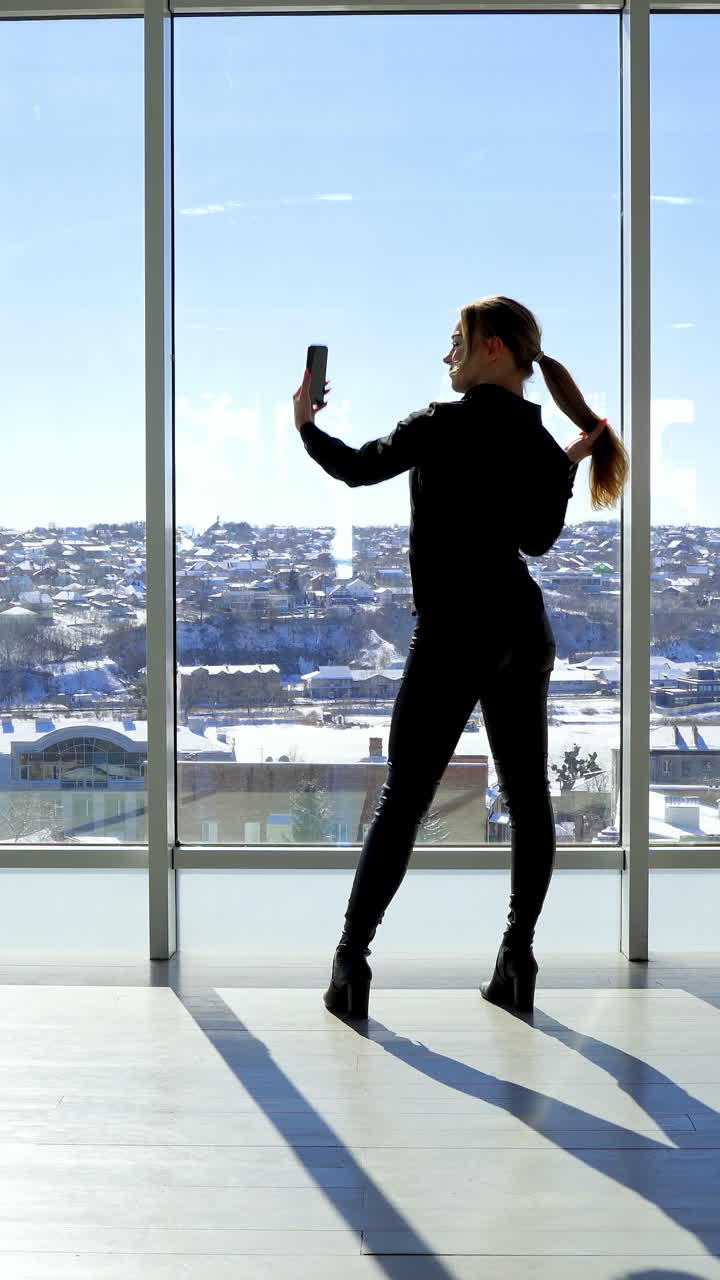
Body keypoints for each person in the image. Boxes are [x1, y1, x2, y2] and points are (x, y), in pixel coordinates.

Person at [292, 295, 628, 1018]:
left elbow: (355, 469)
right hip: (522, 632)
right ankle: (517, 957)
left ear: (493, 348)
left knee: (403, 801)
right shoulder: (537, 438)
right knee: (530, 800)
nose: (447, 355)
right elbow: (537, 541)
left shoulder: (438, 424)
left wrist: (306, 426)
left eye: (456, 341)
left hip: (452, 637)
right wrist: (563, 467)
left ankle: (351, 962)